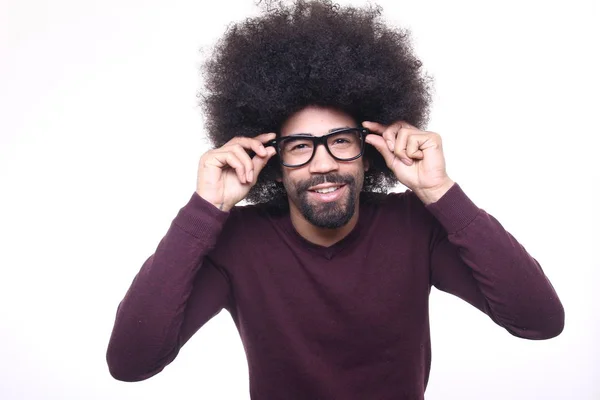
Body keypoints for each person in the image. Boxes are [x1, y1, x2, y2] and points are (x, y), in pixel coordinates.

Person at [106, 1, 564, 398]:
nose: (322, 163)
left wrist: (438, 192)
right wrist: (205, 210)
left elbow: (539, 319)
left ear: (368, 153)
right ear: (272, 162)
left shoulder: (416, 227)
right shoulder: (237, 243)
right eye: (300, 146)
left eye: (340, 141)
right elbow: (131, 362)